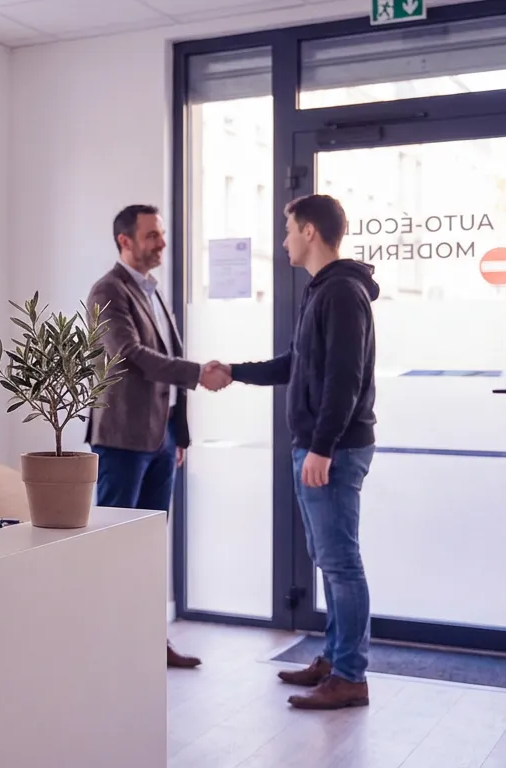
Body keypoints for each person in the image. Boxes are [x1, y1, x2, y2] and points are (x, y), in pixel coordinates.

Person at [204, 194, 379, 710]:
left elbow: (345, 380)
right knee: (330, 561)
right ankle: (335, 659)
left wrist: (322, 449)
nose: (283, 242)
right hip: (318, 447)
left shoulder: (342, 293)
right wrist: (234, 371)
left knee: (341, 564)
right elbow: (295, 365)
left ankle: (350, 676)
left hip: (334, 451)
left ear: (308, 231)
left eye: (287, 231)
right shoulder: (322, 292)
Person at [85, 204, 229, 670]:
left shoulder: (152, 291)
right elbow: (129, 355)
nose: (162, 243)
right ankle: (104, 645)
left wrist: (179, 435)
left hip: (161, 438)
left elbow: (165, 361)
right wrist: (197, 373)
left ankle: (149, 643)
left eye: (161, 234)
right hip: (123, 439)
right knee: (113, 544)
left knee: (147, 547)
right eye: (152, 236)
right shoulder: (108, 290)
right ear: (125, 241)